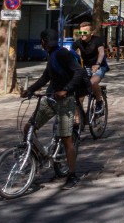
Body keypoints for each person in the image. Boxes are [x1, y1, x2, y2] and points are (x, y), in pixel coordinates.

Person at [23, 29, 87, 188]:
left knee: (66, 139)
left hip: (65, 101)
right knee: (28, 128)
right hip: (51, 98)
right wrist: (30, 89)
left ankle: (72, 175)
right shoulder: (51, 55)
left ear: (43, 42)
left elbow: (78, 72)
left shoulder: (62, 54)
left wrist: (66, 90)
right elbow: (46, 77)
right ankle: (38, 158)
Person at [75, 21, 108, 108]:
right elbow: (70, 53)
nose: (82, 34)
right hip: (85, 67)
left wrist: (97, 64)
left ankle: (99, 102)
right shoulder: (78, 42)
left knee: (92, 82)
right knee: (78, 93)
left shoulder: (97, 40)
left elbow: (101, 53)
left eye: (85, 32)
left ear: (91, 32)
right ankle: (80, 120)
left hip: (100, 66)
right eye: (80, 32)